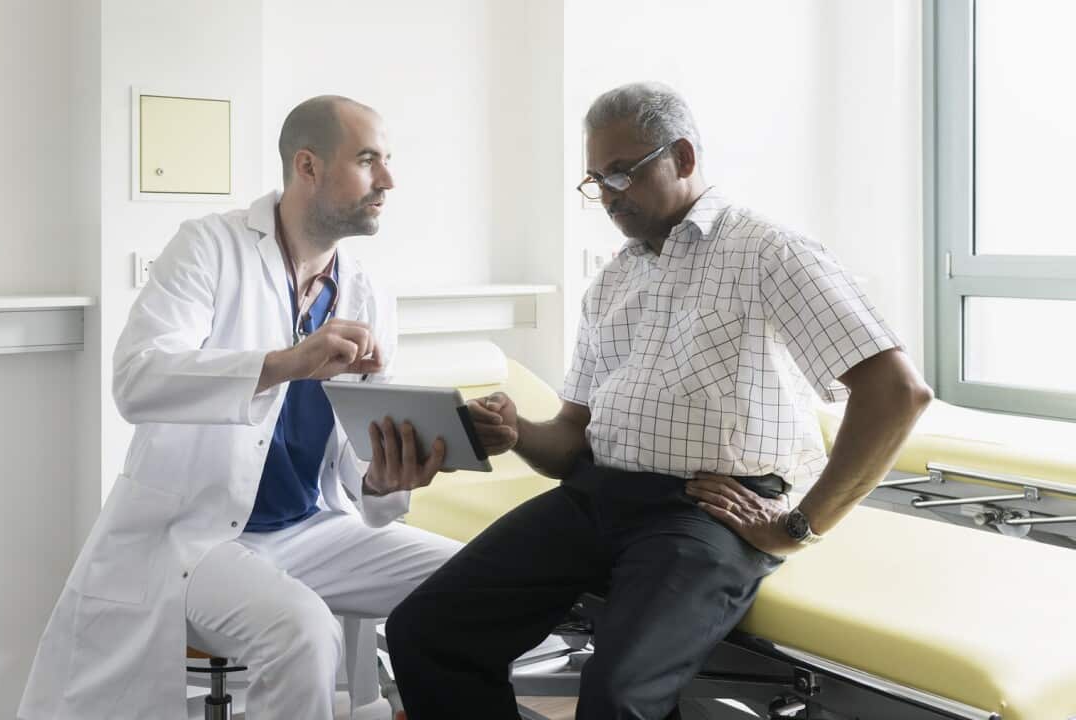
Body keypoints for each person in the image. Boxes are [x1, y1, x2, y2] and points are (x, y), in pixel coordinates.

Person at [385, 81, 933, 719]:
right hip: (597, 496)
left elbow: (897, 393)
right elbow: (570, 439)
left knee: (619, 696)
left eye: (623, 172)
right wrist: (519, 432)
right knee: (426, 630)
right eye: (596, 180)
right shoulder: (615, 279)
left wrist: (799, 526)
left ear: (684, 157)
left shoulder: (767, 251)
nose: (609, 195)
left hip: (702, 512)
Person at [18, 95, 460, 720]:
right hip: (198, 540)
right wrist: (285, 361)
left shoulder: (368, 293)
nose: (388, 180)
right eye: (368, 161)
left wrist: (383, 480)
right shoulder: (208, 248)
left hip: (317, 528)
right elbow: (137, 377)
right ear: (307, 167)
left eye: (386, 161)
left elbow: (364, 475)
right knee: (305, 632)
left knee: (477, 581)